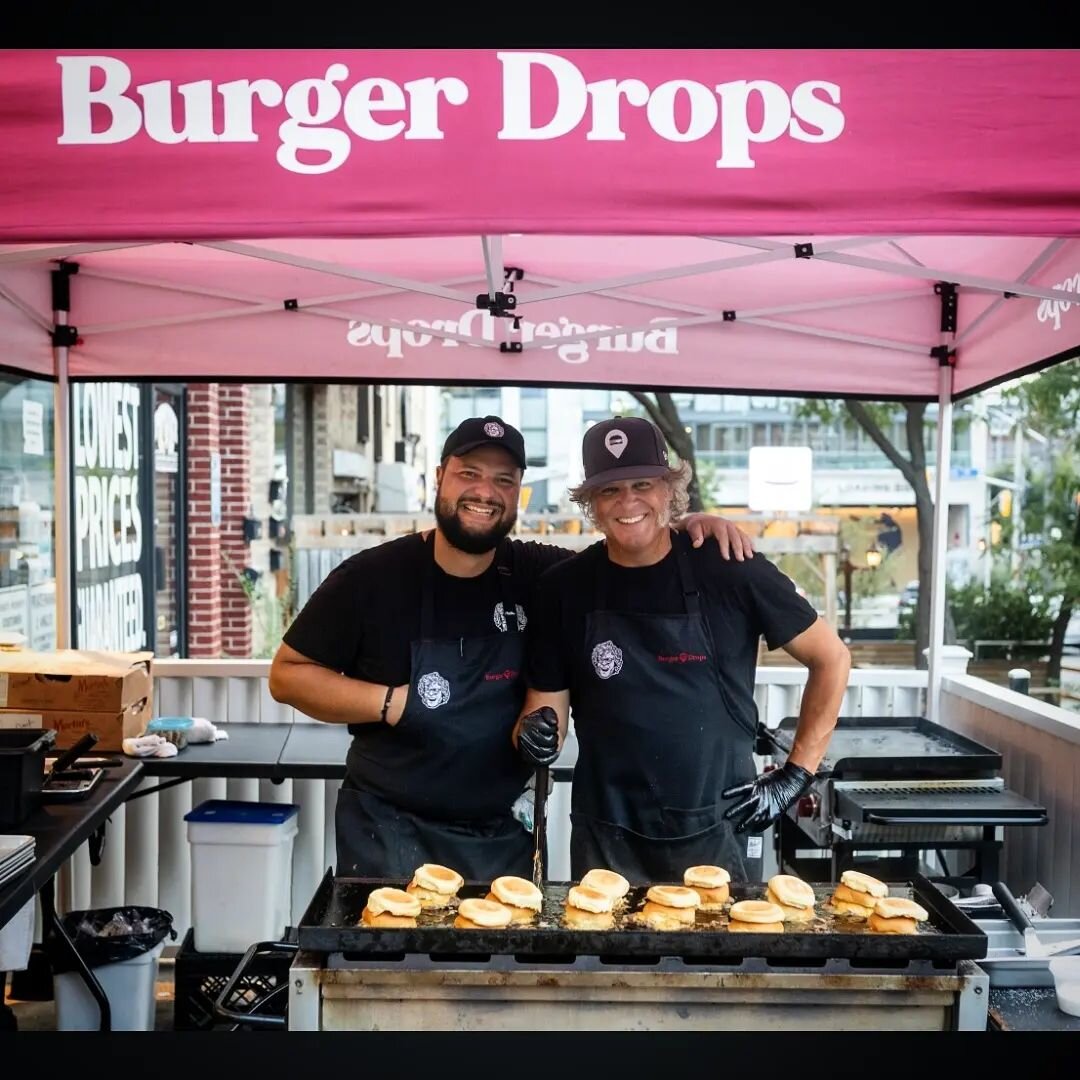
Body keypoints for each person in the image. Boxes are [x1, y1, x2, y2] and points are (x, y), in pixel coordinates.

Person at [269, 415, 755, 881]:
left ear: (517, 492)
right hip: (388, 830)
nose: (485, 491)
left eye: (503, 480)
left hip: (502, 836)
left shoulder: (541, 575)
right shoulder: (372, 578)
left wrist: (687, 523)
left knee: (494, 970)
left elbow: (627, 550)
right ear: (439, 478)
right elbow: (288, 675)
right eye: (469, 474)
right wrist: (393, 703)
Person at [514, 416, 851, 884]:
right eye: (610, 490)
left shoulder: (730, 568)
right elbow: (547, 705)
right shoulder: (564, 589)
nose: (628, 502)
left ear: (670, 490)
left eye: (642, 484)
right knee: (609, 957)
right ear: (590, 503)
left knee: (718, 958)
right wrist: (536, 730)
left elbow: (831, 657)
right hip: (607, 833)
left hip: (717, 825)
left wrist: (798, 774)